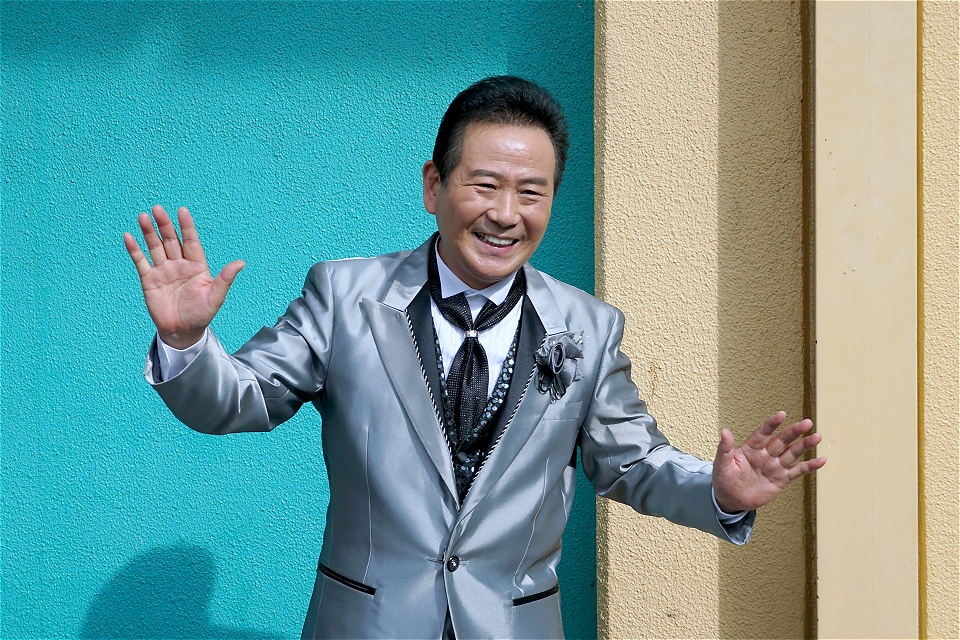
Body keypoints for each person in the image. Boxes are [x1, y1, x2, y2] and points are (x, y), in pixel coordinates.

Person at [124, 76, 825, 639]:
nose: (506, 213)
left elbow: (632, 462)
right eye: (484, 185)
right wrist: (187, 341)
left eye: (531, 192)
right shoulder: (344, 297)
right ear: (434, 185)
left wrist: (718, 492)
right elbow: (241, 399)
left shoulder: (589, 326)